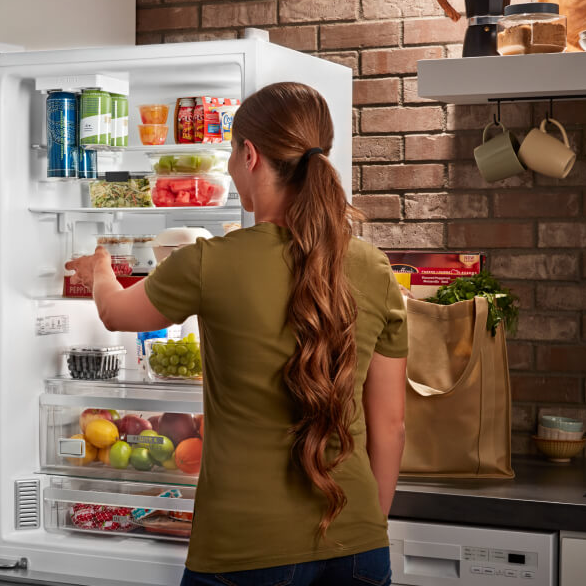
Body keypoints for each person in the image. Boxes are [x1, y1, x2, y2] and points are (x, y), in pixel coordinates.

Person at [65, 82, 408, 586]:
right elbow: (392, 426)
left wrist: (98, 267)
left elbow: (116, 312)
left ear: (250, 155)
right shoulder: (373, 267)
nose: (228, 165)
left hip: (243, 550)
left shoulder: (210, 262)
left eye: (229, 151)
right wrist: (368, 527)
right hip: (358, 546)